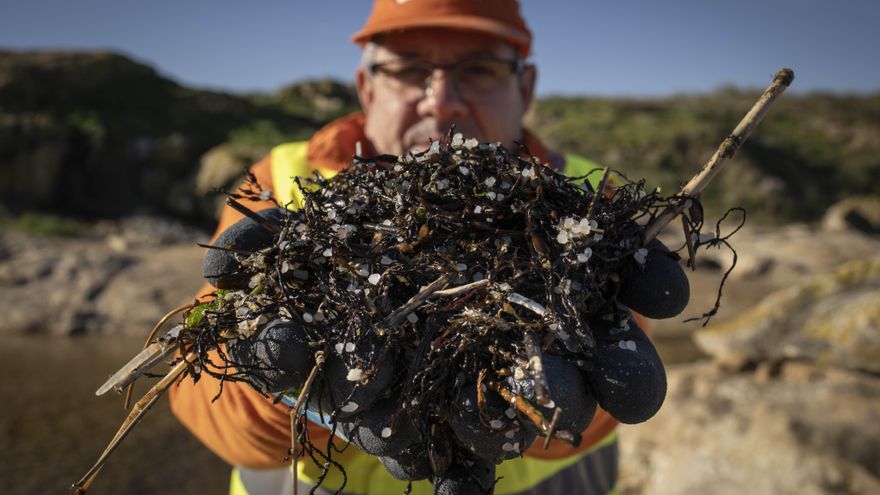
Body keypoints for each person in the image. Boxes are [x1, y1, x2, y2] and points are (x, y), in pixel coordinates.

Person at [169, 1, 666, 494]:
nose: (441, 101)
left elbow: (614, 399)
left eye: (480, 69)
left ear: (526, 87)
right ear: (366, 87)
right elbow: (199, 399)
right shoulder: (281, 184)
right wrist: (284, 393)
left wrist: (544, 413)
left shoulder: (589, 209)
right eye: (409, 70)